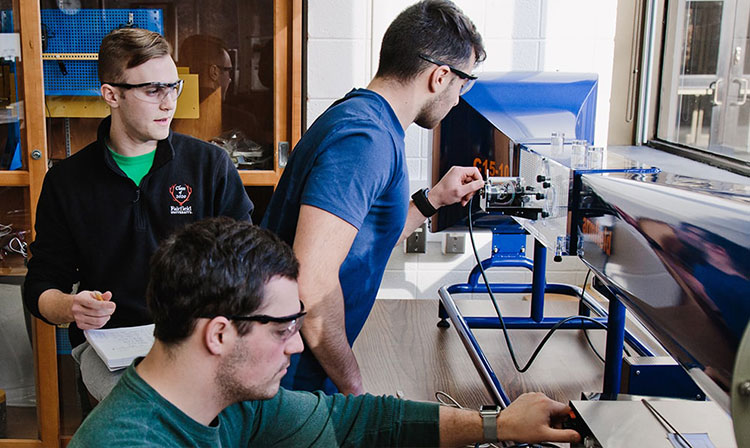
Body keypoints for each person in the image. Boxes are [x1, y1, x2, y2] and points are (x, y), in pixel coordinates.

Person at [68, 217, 581, 447]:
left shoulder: (227, 397)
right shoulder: (127, 441)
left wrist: (496, 425)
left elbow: (356, 421)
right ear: (219, 334)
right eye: (283, 328)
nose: (297, 343)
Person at [262, 0, 486, 395]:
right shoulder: (366, 140)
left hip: (299, 365)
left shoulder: (363, 119)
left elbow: (362, 236)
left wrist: (434, 200)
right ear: (440, 76)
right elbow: (311, 283)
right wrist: (354, 387)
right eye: (463, 85)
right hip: (291, 378)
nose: (458, 100)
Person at [22, 28, 253, 401]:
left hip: (198, 342)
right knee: (139, 416)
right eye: (152, 90)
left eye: (172, 87)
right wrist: (70, 307)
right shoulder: (66, 182)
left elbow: (248, 264)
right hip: (109, 350)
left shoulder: (210, 165)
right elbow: (41, 284)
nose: (168, 103)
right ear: (111, 94)